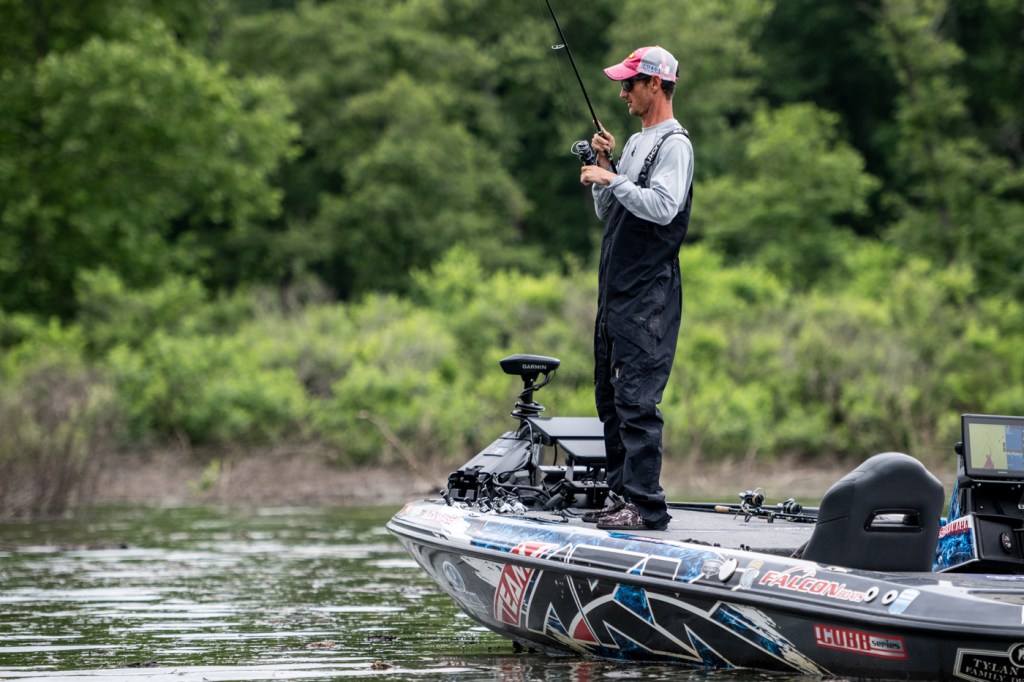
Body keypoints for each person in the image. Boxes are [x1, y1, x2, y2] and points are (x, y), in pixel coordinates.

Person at [578, 46, 694, 531]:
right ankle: (620, 498)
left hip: (649, 295)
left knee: (637, 401)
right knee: (610, 399)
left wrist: (613, 178)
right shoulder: (633, 142)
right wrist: (606, 168)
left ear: (655, 85)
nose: (622, 93)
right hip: (616, 295)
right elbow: (610, 211)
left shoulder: (675, 144)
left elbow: (664, 207)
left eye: (629, 84)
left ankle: (645, 506)